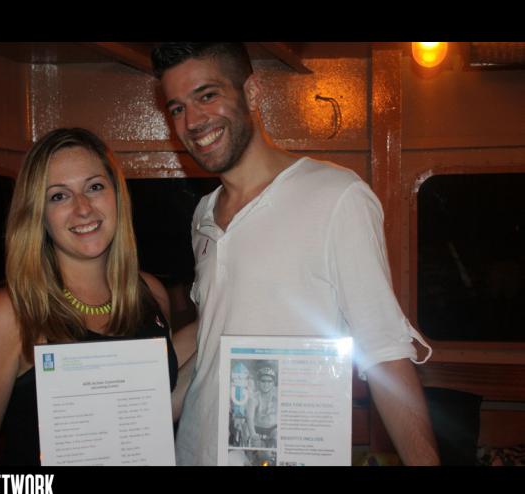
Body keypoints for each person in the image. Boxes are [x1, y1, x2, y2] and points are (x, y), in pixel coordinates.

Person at [151, 42, 440, 466]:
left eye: (207, 95)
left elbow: (385, 353)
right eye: (177, 108)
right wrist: (122, 403)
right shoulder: (203, 215)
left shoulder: (337, 196)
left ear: (251, 92)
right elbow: (213, 338)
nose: (192, 121)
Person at [0, 127, 178, 466]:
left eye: (95, 187)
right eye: (59, 196)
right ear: (38, 214)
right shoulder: (6, 315)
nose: (83, 208)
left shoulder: (150, 294)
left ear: (117, 195)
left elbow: (156, 409)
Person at [246, 366, 278, 449]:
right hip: (257, 429)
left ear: (273, 383)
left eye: (269, 381)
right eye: (263, 381)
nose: (266, 384)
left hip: (273, 429)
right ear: (258, 382)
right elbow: (249, 418)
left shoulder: (277, 397)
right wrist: (253, 435)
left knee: (277, 436)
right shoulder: (253, 398)